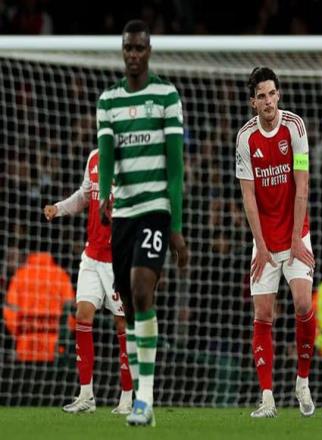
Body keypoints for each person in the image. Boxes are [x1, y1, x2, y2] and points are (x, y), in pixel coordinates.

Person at [97, 19, 188, 427]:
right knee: (130, 308)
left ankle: (144, 399)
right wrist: (104, 194)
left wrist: (175, 225)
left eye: (139, 48)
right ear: (123, 52)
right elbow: (106, 154)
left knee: (140, 288)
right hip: (124, 215)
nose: (133, 54)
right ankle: (140, 399)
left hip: (155, 210)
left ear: (149, 51)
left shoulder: (166, 95)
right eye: (128, 48)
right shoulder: (108, 101)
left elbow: (175, 166)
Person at [236, 67, 316, 418]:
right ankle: (267, 398)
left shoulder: (295, 127)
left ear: (278, 95)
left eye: (272, 94)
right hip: (265, 240)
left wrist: (297, 238)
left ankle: (302, 381)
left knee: (303, 303)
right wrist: (261, 245)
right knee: (263, 313)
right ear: (253, 103)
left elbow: (302, 183)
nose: (268, 101)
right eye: (261, 96)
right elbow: (248, 196)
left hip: (296, 233)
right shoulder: (245, 138)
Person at [44, 148, 133, 415]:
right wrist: (59, 208)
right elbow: (84, 196)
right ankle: (86, 395)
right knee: (82, 316)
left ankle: (127, 397)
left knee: (122, 324)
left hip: (118, 259)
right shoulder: (94, 157)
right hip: (92, 256)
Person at [3, 248, 74, 362]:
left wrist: (19, 335)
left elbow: (10, 313)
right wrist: (63, 337)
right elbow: (72, 313)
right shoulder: (62, 275)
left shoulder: (19, 276)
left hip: (26, 350)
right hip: (56, 352)